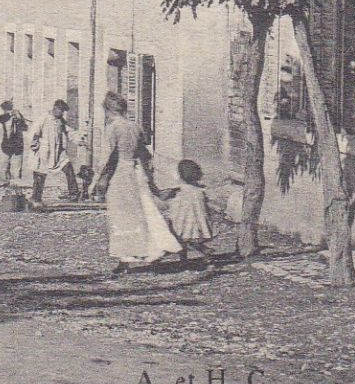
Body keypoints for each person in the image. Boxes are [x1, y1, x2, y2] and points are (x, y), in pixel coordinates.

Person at [92, 93, 182, 275]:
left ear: (109, 110)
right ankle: (154, 248)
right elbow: (145, 155)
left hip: (120, 174)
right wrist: (150, 180)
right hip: (137, 172)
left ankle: (126, 258)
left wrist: (96, 179)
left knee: (122, 215)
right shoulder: (135, 127)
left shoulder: (112, 128)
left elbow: (107, 157)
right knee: (145, 210)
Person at [161, 159, 215, 268]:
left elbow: (165, 198)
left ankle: (187, 258)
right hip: (196, 220)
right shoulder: (200, 190)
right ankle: (202, 254)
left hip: (181, 220)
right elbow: (207, 203)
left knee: (181, 240)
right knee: (191, 240)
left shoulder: (179, 190)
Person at [28, 100, 70, 208]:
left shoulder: (60, 120)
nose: (62, 114)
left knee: (67, 166)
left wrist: (80, 140)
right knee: (40, 174)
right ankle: (36, 199)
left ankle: (74, 194)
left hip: (57, 152)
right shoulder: (44, 118)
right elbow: (34, 133)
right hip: (44, 152)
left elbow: (69, 131)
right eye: (61, 111)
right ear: (55, 108)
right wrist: (34, 145)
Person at [0, 100, 29, 187]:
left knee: (18, 164)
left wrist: (19, 119)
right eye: (7, 110)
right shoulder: (4, 117)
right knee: (6, 162)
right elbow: (0, 119)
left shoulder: (18, 116)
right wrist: (10, 114)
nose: (8, 111)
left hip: (18, 143)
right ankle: (6, 179)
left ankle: (17, 181)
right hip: (8, 143)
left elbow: (25, 127)